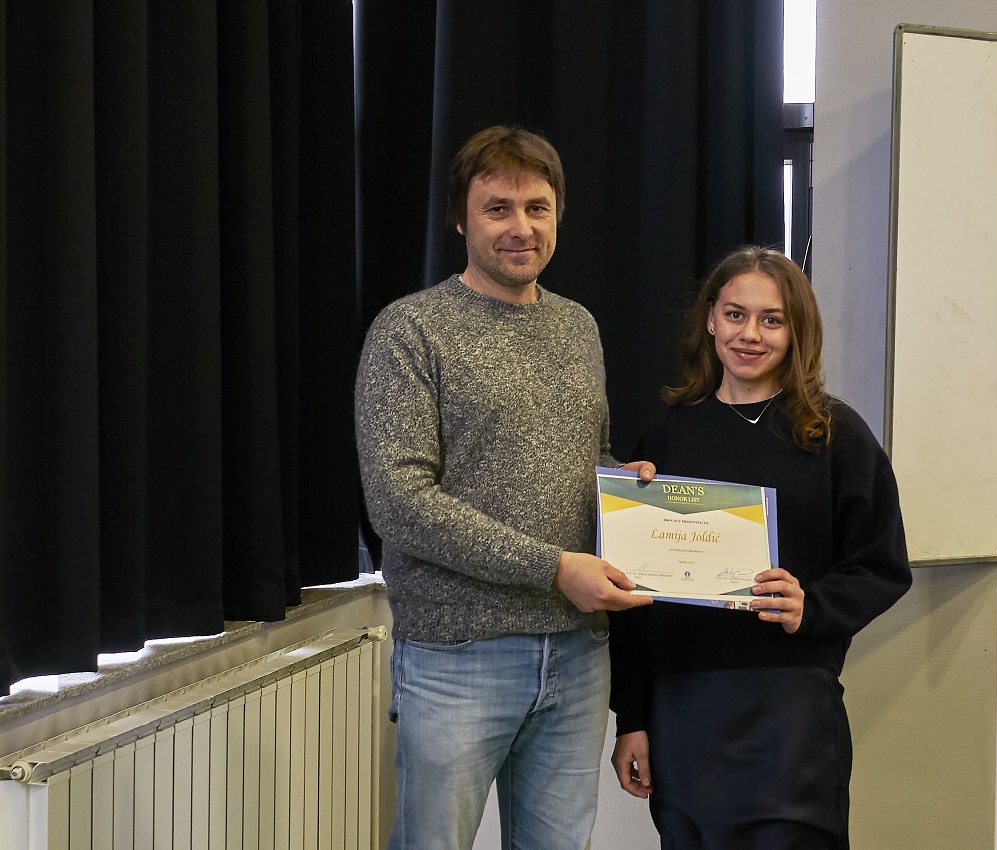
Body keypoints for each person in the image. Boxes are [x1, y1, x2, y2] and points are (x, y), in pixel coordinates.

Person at [355, 125, 652, 850]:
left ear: (557, 215)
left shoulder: (577, 327)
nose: (521, 227)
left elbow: (584, 456)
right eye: (498, 208)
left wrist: (626, 489)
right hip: (456, 654)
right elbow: (400, 503)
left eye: (537, 207)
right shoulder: (410, 331)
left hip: (577, 653)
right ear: (461, 219)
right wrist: (553, 568)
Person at [607, 246, 912, 850]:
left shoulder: (834, 433)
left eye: (772, 319)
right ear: (710, 320)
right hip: (684, 708)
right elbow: (631, 599)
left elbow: (883, 564)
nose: (750, 334)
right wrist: (632, 718)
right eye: (735, 314)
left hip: (791, 706)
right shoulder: (666, 433)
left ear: (797, 332)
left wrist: (812, 606)